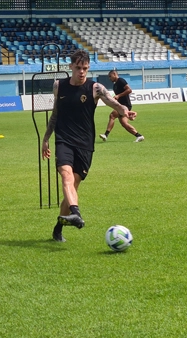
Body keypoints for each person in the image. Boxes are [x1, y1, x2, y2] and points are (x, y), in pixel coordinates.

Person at [42, 50, 137, 242]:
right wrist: (46, 139)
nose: (82, 72)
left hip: (85, 144)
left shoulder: (95, 88)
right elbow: (55, 114)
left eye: (85, 68)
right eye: (78, 68)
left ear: (89, 68)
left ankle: (59, 226)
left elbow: (115, 104)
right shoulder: (58, 86)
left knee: (73, 188)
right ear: (71, 67)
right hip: (64, 140)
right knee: (66, 175)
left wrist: (126, 111)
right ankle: (76, 213)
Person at [99, 70, 144, 142]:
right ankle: (139, 136)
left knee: (112, 115)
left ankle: (106, 135)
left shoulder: (121, 81)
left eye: (110, 76)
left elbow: (129, 90)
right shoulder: (115, 85)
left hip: (125, 105)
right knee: (124, 123)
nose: (109, 78)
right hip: (121, 105)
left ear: (114, 74)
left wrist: (119, 95)